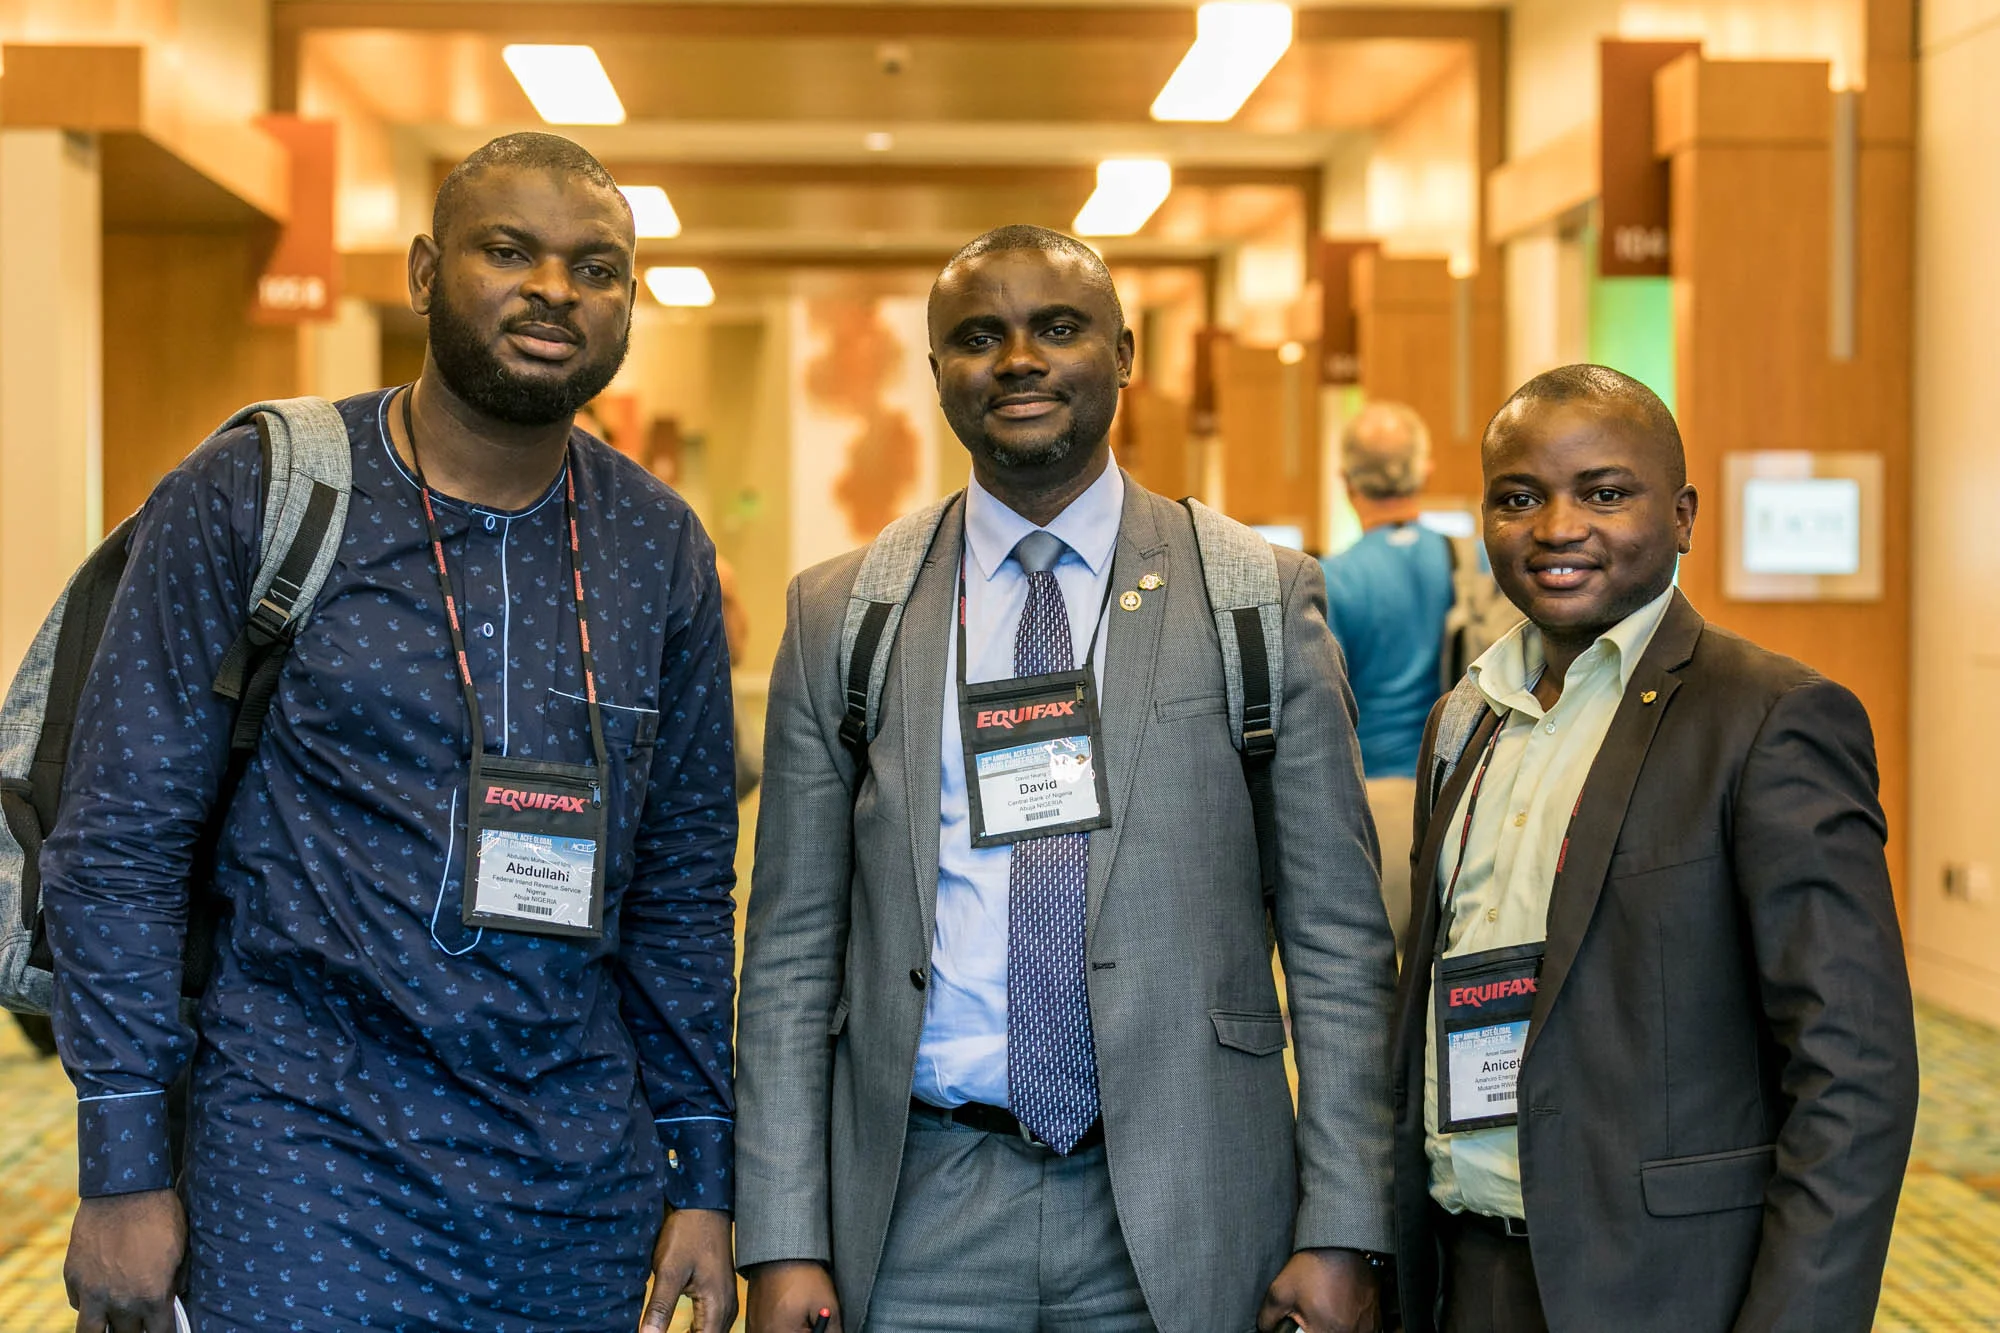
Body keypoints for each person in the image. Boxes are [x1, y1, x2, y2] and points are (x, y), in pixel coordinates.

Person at [43, 133, 740, 1333]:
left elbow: (680, 890)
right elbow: (119, 842)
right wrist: (122, 1166)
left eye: (595, 268)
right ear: (424, 272)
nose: (554, 290)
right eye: (508, 252)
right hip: (303, 1156)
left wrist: (702, 1174)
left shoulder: (655, 543)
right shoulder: (258, 492)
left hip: (575, 1187)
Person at [734, 224, 1396, 1333]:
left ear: (1124, 354)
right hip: (917, 1211)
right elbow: (792, 952)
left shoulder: (1253, 599)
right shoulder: (842, 614)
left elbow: (1337, 943)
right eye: (977, 338)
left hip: (1189, 1200)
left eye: (1057, 327)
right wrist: (784, 1238)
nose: (1018, 360)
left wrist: (1341, 1225)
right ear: (936, 371)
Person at [1388, 364, 1918, 1332]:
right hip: (1463, 1271)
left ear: (1681, 517)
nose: (1556, 527)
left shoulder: (1769, 721)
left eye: (1603, 493)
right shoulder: (1463, 721)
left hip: (1663, 1288)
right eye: (1518, 498)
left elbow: (1853, 1073)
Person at [1321, 401, 1457, 948]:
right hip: (1466, 796)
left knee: (1385, 974)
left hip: (1376, 806)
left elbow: (1325, 708)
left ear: (1346, 481)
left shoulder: (1332, 579)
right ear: (1426, 471)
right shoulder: (1474, 564)